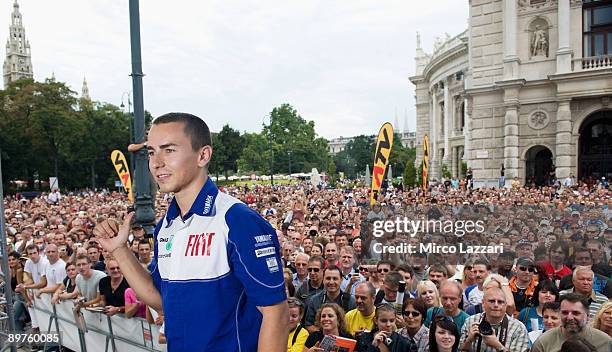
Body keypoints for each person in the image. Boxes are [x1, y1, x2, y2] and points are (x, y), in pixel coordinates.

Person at [94, 113, 288, 351]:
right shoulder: (167, 224)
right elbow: (161, 299)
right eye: (152, 152)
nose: (156, 163)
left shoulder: (237, 220)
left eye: (169, 150)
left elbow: (276, 314)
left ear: (203, 155)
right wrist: (120, 250)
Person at [531, 293, 611, 352]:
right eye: (565, 313)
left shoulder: (605, 342)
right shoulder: (543, 342)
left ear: (588, 316)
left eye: (576, 313)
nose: (569, 317)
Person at [459, 287, 530, 352]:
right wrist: (468, 340)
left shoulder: (518, 328)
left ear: (505, 305)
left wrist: (497, 345)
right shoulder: (471, 321)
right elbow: (460, 350)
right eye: (492, 301)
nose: (496, 305)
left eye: (500, 302)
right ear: (483, 303)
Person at [304, 265, 356, 332]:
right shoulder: (314, 300)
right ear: (323, 280)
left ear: (341, 280)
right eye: (328, 278)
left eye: (335, 279)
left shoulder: (350, 301)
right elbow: (308, 325)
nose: (331, 282)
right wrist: (326, 335)